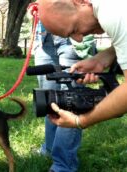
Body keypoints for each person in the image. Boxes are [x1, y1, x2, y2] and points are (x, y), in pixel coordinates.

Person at [37, 0, 127, 129]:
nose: (79, 39)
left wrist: (81, 121)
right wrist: (101, 59)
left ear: (81, 2)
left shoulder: (111, 14)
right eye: (70, 36)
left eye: (74, 29)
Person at [34, 20, 93, 172]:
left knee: (72, 102)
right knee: (50, 100)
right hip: (44, 33)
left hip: (73, 31)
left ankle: (63, 166)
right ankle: (49, 148)